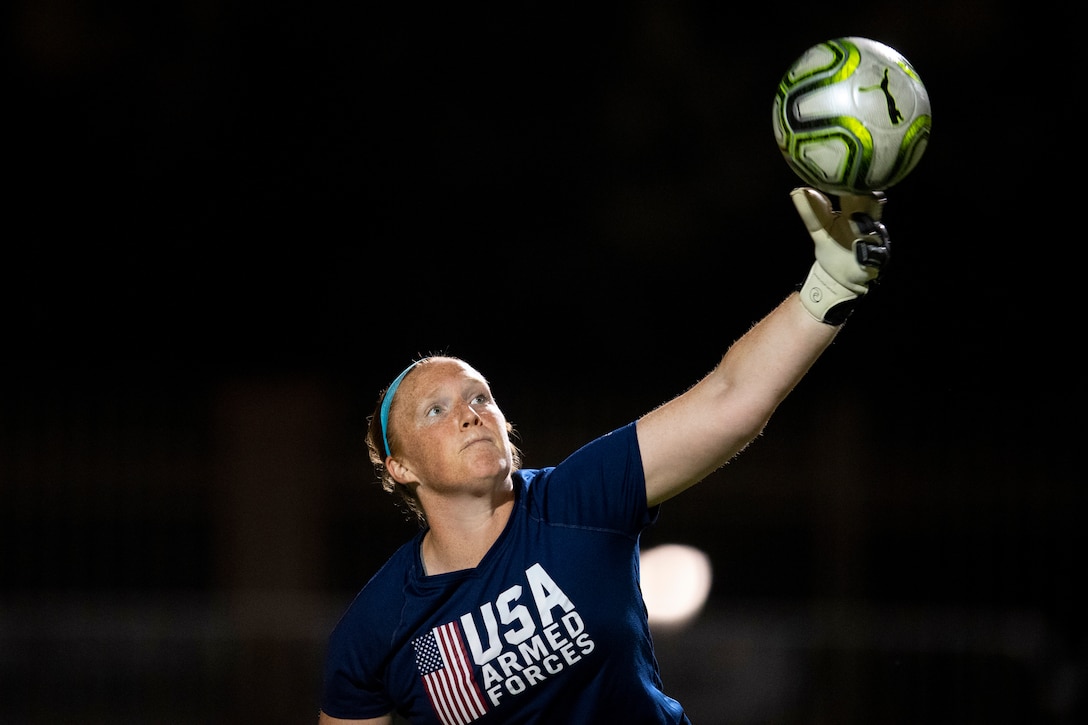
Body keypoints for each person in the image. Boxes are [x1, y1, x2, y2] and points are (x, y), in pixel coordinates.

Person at [318, 186, 892, 724]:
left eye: (480, 397)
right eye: (435, 411)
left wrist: (831, 284)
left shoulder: (578, 501)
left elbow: (730, 399)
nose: (471, 412)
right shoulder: (375, 630)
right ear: (401, 467)